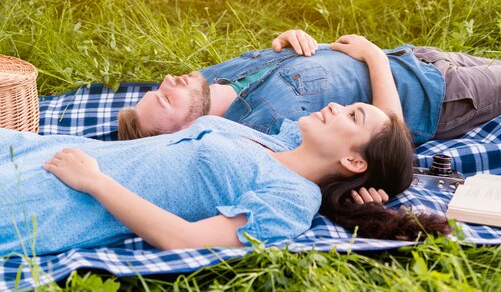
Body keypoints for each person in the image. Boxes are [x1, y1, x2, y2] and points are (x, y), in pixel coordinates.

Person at [0, 37, 449, 256]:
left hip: (55, 199)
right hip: (36, 151)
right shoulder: (281, 140)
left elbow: (185, 240)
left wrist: (96, 183)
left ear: (353, 159)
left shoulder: (291, 200)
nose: (335, 105)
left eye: (352, 114)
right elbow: (390, 134)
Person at [119, 30, 501, 146]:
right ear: (187, 130)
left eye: (158, 87)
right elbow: (389, 138)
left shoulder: (205, 82)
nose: (170, 80)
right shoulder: (265, 132)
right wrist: (373, 58)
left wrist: (295, 40)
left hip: (414, 56)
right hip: (440, 95)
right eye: (167, 98)